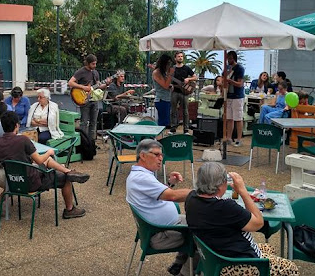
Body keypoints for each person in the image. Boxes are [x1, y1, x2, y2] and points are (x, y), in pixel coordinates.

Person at [185, 162, 300, 276]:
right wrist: (243, 191)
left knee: (270, 249)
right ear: (220, 185)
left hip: (214, 258)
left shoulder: (191, 199)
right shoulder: (225, 207)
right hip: (235, 263)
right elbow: (258, 223)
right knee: (290, 268)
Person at [0, 111, 90, 219]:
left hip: (12, 181)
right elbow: (39, 160)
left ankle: (67, 170)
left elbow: (13, 158)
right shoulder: (23, 140)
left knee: (45, 162)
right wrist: (48, 152)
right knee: (64, 177)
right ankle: (69, 209)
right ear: (16, 125)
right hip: (32, 182)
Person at [126, 139, 193, 276]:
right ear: (143, 156)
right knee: (204, 233)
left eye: (161, 155)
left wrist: (170, 183)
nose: (160, 158)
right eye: (156, 154)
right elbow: (172, 196)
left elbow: (158, 194)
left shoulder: (142, 174)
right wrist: (200, 193)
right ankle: (186, 272)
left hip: (160, 228)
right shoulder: (141, 177)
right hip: (159, 235)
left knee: (197, 221)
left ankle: (179, 264)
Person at [68, 54, 111, 139]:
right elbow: (70, 83)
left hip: (94, 99)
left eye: (95, 63)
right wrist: (83, 87)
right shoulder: (81, 71)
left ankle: (91, 142)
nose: (95, 66)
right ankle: (83, 141)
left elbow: (98, 86)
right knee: (84, 122)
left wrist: (106, 84)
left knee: (94, 122)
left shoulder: (95, 73)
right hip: (84, 99)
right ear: (87, 63)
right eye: (93, 64)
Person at [171, 51, 197, 133]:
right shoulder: (172, 69)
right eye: (178, 56)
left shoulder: (187, 68)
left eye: (181, 56)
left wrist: (189, 79)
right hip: (174, 91)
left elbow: (195, 77)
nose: (180, 58)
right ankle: (173, 128)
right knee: (173, 110)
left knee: (185, 111)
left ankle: (186, 129)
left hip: (184, 92)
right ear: (175, 58)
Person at [224, 51, 245, 147]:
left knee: (238, 118)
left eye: (231, 58)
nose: (229, 60)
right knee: (229, 118)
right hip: (228, 95)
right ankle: (229, 138)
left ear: (234, 58)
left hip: (237, 96)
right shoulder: (226, 68)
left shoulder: (239, 68)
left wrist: (230, 81)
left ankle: (239, 139)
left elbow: (240, 84)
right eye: (228, 58)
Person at [152, 54, 174, 128]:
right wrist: (170, 74)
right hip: (161, 99)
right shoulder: (157, 72)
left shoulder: (163, 73)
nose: (169, 66)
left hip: (167, 98)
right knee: (163, 123)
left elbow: (167, 85)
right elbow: (165, 85)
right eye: (168, 64)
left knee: (167, 122)